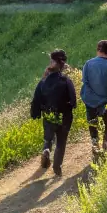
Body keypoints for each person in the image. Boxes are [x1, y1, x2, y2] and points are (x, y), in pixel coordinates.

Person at [31, 49, 77, 179]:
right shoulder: (66, 80)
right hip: (64, 116)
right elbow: (73, 100)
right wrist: (70, 106)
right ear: (62, 65)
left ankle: (46, 150)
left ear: (52, 63)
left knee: (48, 138)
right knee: (61, 143)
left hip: (48, 115)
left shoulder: (43, 82)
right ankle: (57, 167)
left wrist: (37, 113)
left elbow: (36, 100)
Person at [80, 39, 107, 161]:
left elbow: (85, 82)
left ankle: (95, 143)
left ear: (99, 50)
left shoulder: (88, 64)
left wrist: (89, 97)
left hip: (90, 101)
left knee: (93, 123)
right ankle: (105, 150)